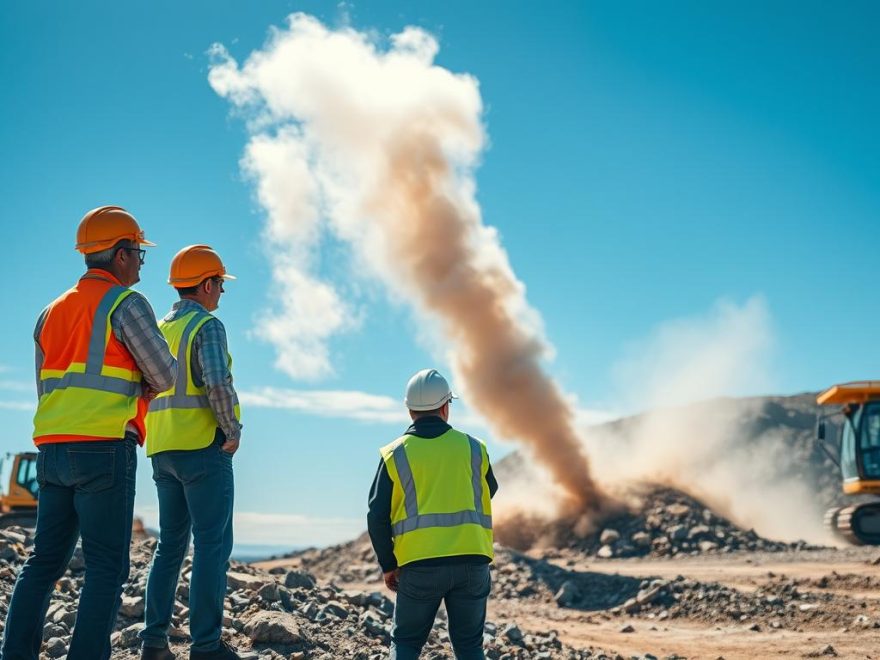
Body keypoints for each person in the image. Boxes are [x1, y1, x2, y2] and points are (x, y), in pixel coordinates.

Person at [1, 206, 176, 660]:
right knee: (105, 568)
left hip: (53, 450)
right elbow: (166, 374)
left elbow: (48, 386)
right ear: (120, 254)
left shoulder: (50, 311)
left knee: (42, 563)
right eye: (138, 252)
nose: (141, 262)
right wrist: (138, 387)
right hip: (104, 449)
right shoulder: (127, 304)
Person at [139, 245, 242, 660]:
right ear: (205, 284)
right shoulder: (207, 326)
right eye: (220, 283)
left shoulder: (160, 328)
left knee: (169, 546)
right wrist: (231, 430)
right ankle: (205, 646)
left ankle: (153, 642)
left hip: (162, 448)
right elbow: (217, 383)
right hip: (202, 446)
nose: (221, 292)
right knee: (211, 544)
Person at [367, 369, 499, 660]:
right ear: (444, 406)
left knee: (406, 643)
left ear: (410, 410)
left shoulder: (395, 454)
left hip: (419, 565)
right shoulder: (475, 448)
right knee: (469, 646)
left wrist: (388, 565)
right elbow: (490, 488)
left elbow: (376, 516)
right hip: (472, 561)